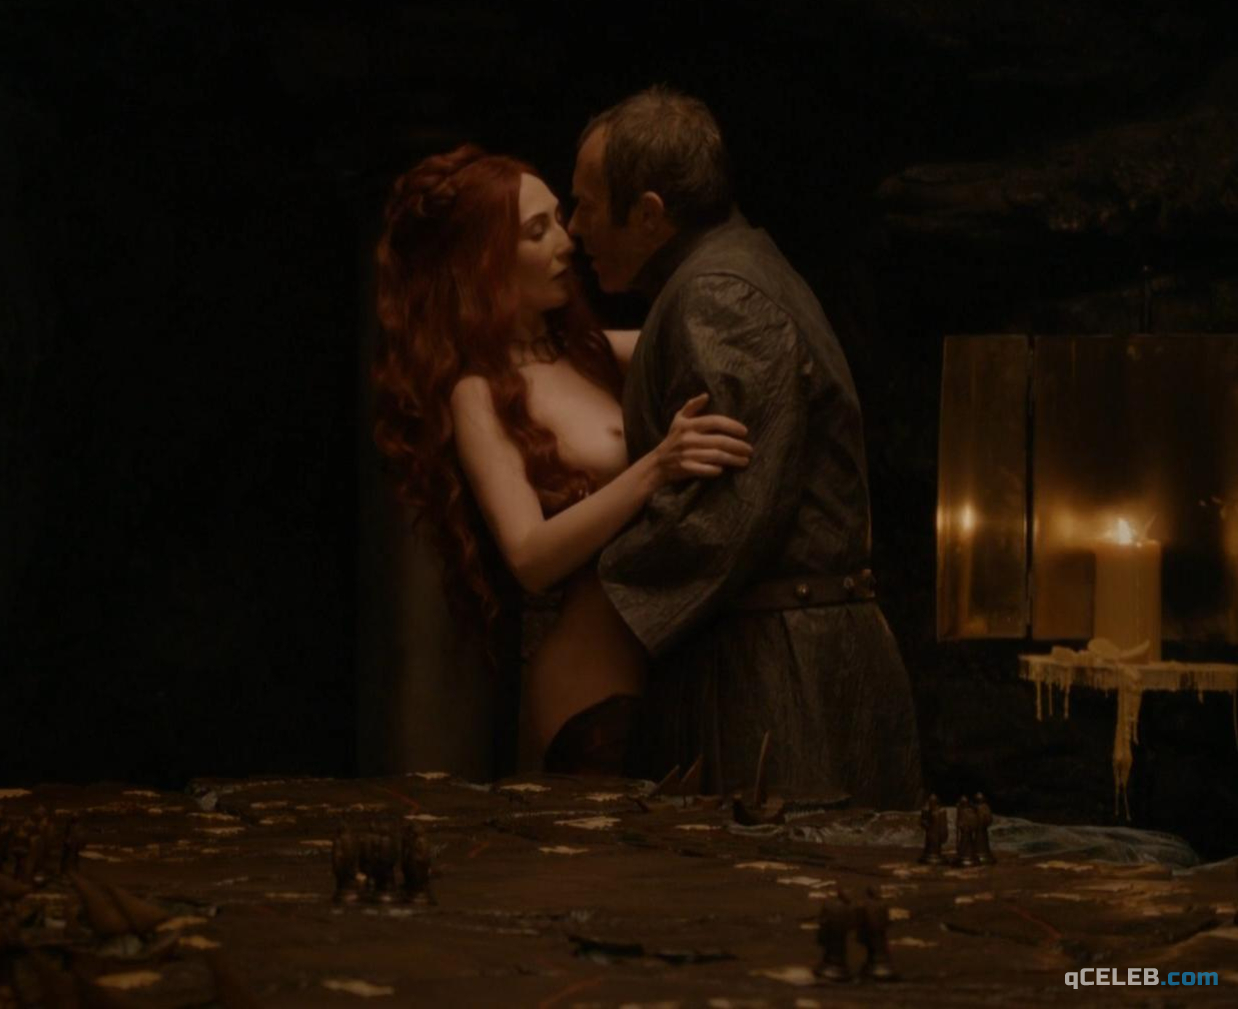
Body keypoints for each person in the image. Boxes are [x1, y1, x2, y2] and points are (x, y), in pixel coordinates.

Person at [570, 86, 924, 810]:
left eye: (586, 206)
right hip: (772, 664)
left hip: (780, 685)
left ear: (649, 214)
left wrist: (587, 601)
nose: (575, 228)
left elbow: (720, 519)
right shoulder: (723, 273)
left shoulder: (720, 296)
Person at [371, 144, 752, 773]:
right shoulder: (478, 392)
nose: (567, 241)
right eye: (536, 230)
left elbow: (718, 333)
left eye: (559, 218)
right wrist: (657, 466)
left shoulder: (592, 352)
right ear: (483, 260)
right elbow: (529, 557)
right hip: (592, 696)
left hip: (667, 674)